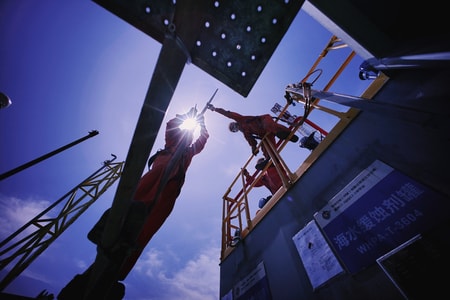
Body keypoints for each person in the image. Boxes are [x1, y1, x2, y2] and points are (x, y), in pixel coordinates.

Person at [59, 108, 209, 299]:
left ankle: (118, 266)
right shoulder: (170, 145)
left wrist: (202, 122)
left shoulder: (187, 154)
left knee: (143, 230)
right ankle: (106, 232)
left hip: (168, 192)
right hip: (151, 182)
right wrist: (187, 116)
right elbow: (171, 125)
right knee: (129, 208)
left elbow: (203, 140)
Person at [207, 104, 299, 159]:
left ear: (235, 123)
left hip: (263, 121)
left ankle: (288, 135)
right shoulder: (245, 133)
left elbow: (227, 114)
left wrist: (214, 109)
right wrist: (253, 148)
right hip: (264, 133)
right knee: (265, 145)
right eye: (234, 130)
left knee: (271, 126)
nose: (236, 128)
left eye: (234, 126)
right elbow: (251, 141)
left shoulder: (240, 119)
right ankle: (270, 159)